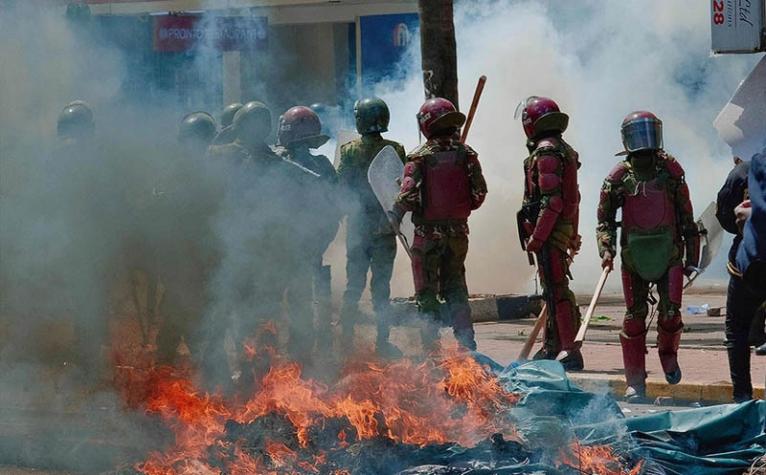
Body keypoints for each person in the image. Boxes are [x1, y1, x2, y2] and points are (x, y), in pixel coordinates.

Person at [597, 111, 700, 402]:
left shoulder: (671, 171)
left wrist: (692, 256)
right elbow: (604, 219)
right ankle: (635, 381)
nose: (644, 142)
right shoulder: (618, 177)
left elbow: (687, 216)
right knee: (633, 318)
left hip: (669, 251)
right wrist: (606, 248)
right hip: (633, 255)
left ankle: (668, 355)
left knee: (671, 313)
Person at [391, 98, 487, 352]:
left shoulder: (419, 158)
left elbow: (408, 197)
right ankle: (466, 344)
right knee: (456, 288)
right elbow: (479, 195)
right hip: (458, 233)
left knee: (426, 292)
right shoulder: (467, 155)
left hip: (427, 236)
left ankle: (431, 348)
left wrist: (394, 216)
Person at [516, 96, 583, 371]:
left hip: (551, 230)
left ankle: (569, 350)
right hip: (560, 229)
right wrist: (574, 234)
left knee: (557, 290)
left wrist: (538, 237)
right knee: (553, 291)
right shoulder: (562, 149)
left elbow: (552, 201)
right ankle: (552, 346)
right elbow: (574, 198)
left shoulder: (545, 152)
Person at [337, 97, 406, 358]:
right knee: (381, 289)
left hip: (358, 227)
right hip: (385, 226)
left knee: (353, 286)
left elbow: (341, 187)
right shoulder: (396, 149)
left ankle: (345, 339)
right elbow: (400, 186)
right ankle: (382, 341)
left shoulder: (349, 151)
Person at [275, 106, 342, 361]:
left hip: (289, 245)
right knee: (304, 296)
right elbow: (337, 206)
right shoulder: (321, 165)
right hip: (310, 243)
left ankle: (296, 349)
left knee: (292, 297)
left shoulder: (279, 164)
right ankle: (308, 347)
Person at [723, 152, 766, 399]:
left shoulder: (749, 167)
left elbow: (726, 215)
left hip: (750, 264)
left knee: (736, 331)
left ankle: (742, 401)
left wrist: (745, 224)